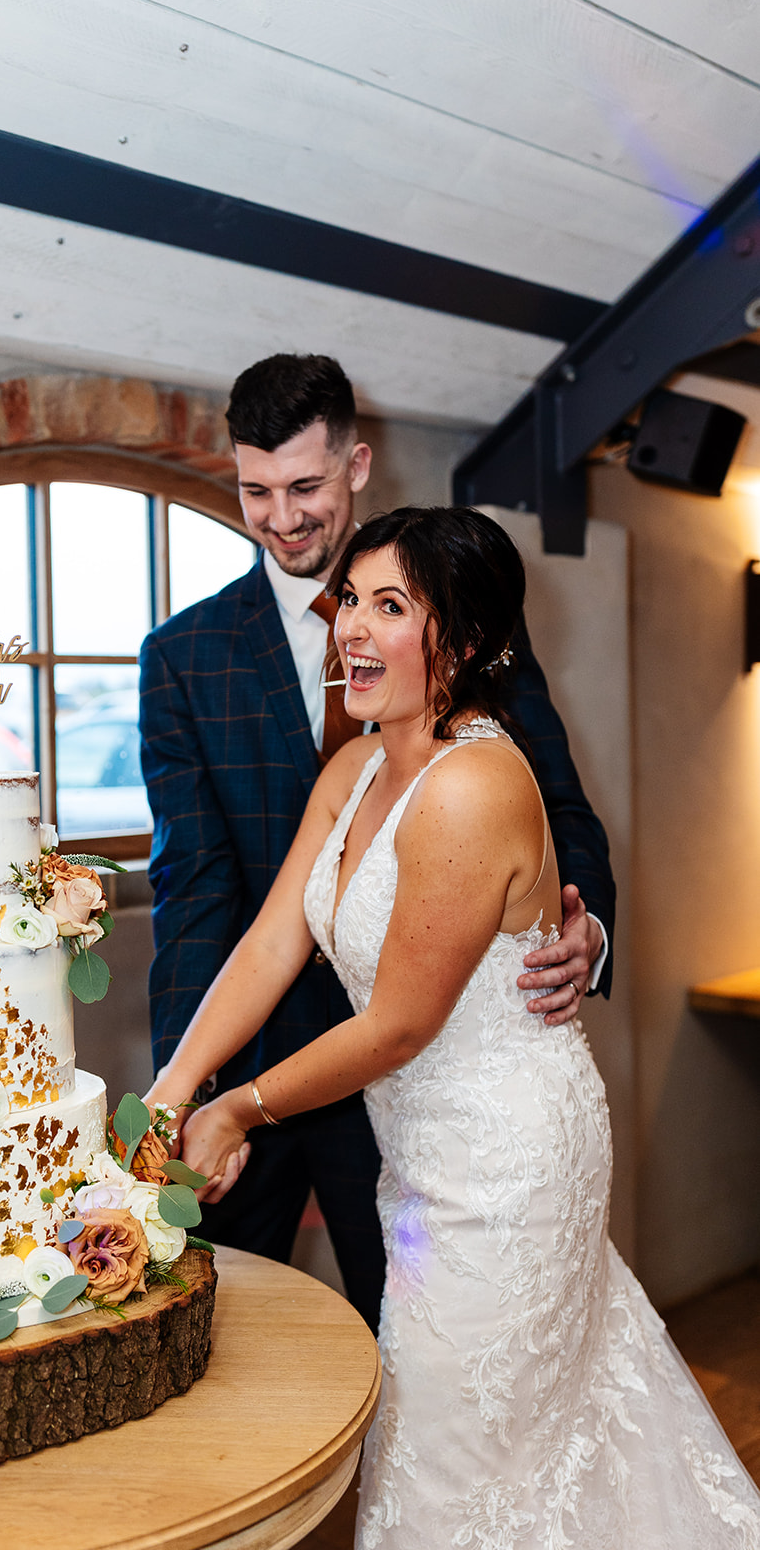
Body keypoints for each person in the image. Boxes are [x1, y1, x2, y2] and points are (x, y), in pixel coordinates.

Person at [150, 506, 760, 1548]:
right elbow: (268, 941)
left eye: (390, 606)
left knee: (456, 1451)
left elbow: (393, 1026)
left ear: (464, 643)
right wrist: (175, 1082)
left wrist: (237, 1107)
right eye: (351, 599)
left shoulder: (472, 781)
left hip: (507, 1161)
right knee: (475, 1438)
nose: (349, 626)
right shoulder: (351, 770)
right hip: (421, 1157)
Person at [138, 353, 614, 1331]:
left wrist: (586, 924)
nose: (279, 516)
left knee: (415, 1346)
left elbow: (555, 803)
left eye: (303, 486)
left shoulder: (469, 628)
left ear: (354, 466)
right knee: (223, 1338)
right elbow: (208, 895)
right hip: (260, 1049)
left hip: (443, 1089)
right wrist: (182, 1084)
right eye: (253, 491)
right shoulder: (192, 663)